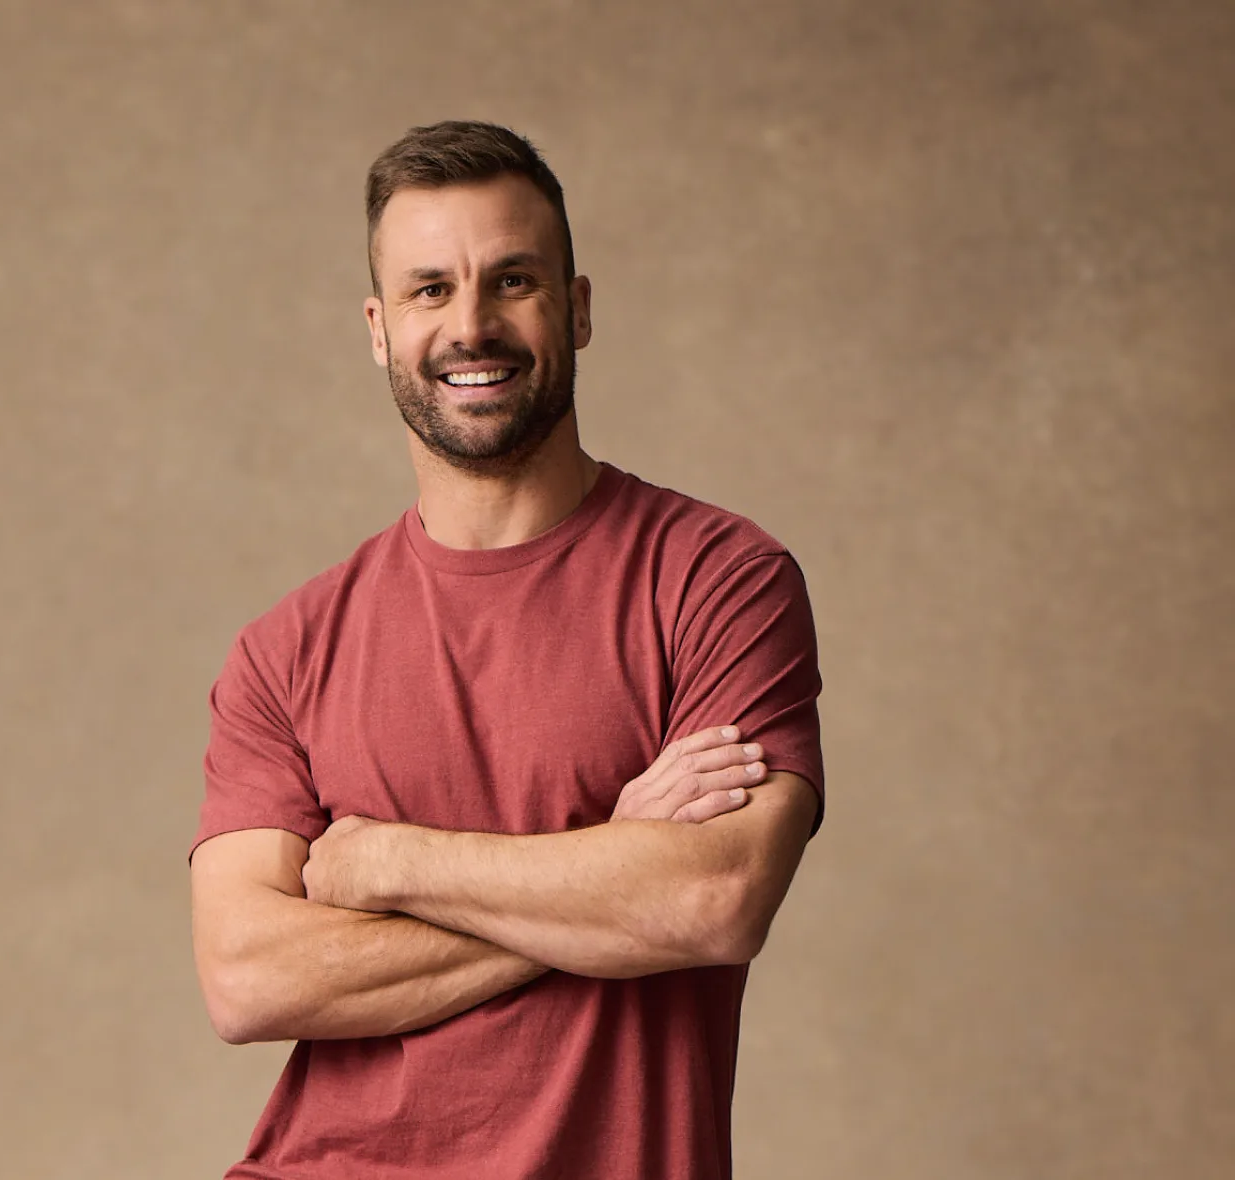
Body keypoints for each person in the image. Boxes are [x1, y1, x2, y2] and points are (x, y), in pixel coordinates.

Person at [188, 121, 824, 1180]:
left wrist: (393, 862)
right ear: (380, 329)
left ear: (575, 309)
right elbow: (248, 978)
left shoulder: (720, 581)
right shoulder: (285, 652)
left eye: (512, 280)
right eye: (430, 289)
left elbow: (713, 898)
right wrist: (611, 861)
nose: (470, 325)